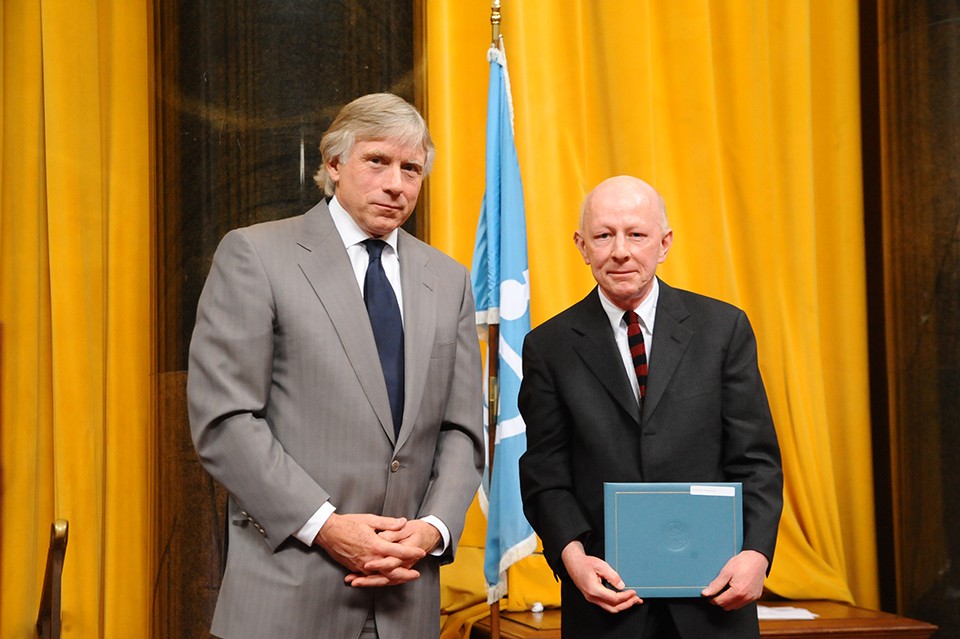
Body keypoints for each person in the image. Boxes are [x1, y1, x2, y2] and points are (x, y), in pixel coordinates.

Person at [187, 93, 484, 639]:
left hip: (405, 597)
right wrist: (326, 526)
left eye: (411, 168)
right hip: (288, 598)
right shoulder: (256, 255)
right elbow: (225, 420)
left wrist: (431, 530)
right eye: (378, 161)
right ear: (333, 165)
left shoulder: (449, 280)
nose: (397, 183)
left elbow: (462, 428)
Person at [518, 176, 783, 638]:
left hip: (714, 600)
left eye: (636, 234)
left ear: (664, 244)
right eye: (604, 235)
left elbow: (756, 461)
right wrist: (572, 557)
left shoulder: (723, 329)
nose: (620, 251)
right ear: (582, 246)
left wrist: (757, 554)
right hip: (606, 603)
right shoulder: (549, 346)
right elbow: (545, 473)